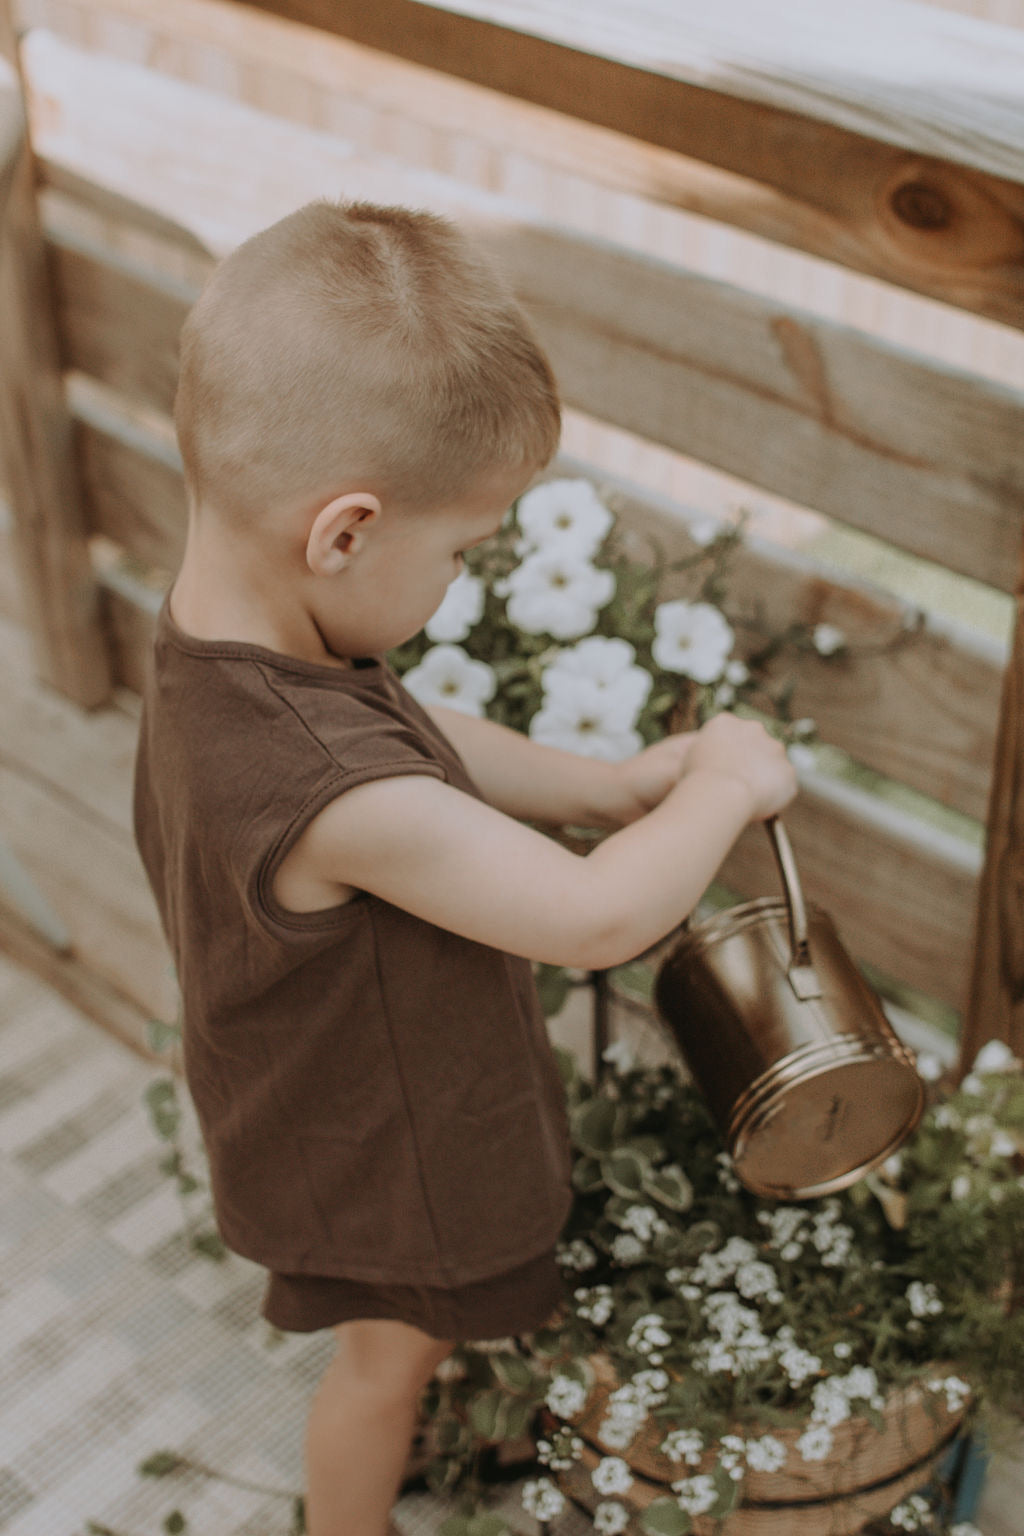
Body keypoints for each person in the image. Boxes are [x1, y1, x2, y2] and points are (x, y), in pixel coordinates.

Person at [131, 198, 798, 1536]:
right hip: (388, 1155)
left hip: (328, 1095)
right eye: (462, 552)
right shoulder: (327, 791)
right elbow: (596, 916)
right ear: (345, 533)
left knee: (399, 1347)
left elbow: (419, 742)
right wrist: (724, 785)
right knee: (387, 1363)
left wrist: (609, 785)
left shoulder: (236, 643)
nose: (457, 581)